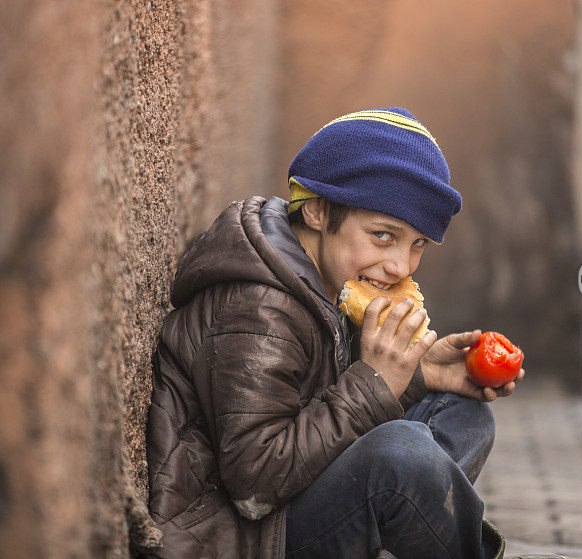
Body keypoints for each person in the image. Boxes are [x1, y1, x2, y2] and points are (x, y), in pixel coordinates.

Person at [146, 107, 524, 559]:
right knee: (400, 459)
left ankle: (409, 534)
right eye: (384, 236)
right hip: (244, 539)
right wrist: (375, 382)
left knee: (462, 413)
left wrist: (420, 376)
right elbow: (256, 483)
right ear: (318, 212)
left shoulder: (329, 278)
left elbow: (323, 417)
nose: (400, 266)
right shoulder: (261, 307)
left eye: (417, 243)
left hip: (290, 499)